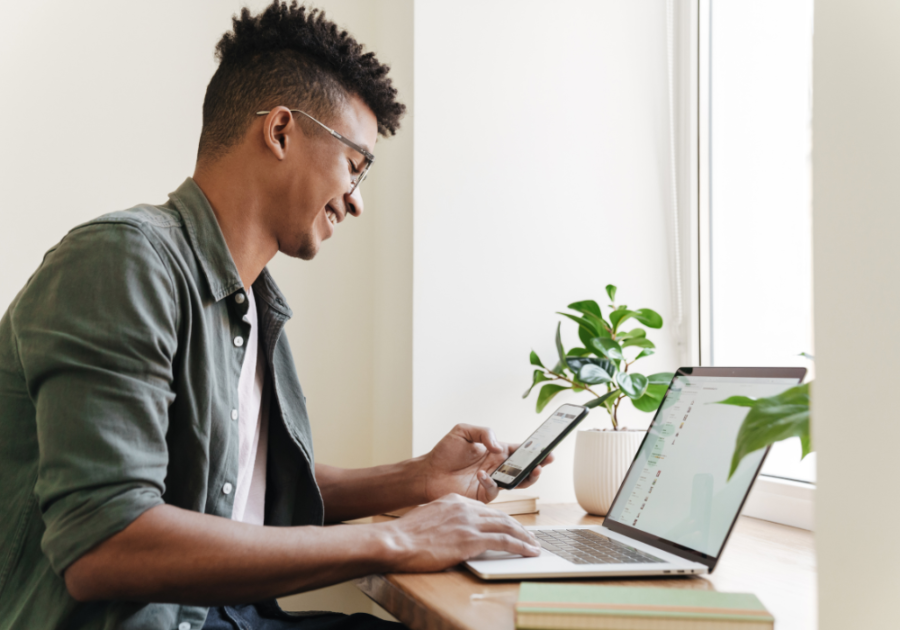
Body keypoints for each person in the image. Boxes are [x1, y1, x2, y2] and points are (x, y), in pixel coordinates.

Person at [0, 3, 551, 629]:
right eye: (355, 163)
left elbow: (245, 491)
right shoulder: (120, 262)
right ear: (282, 131)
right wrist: (397, 540)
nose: (357, 200)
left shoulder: (255, 304)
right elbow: (107, 542)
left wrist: (418, 480)